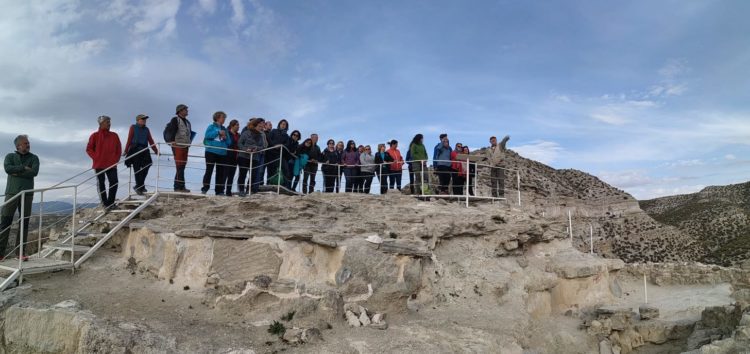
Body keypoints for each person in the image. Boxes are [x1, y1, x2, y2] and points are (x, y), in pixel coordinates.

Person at [0, 135, 39, 260]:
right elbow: (7, 168)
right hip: (11, 193)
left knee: (24, 223)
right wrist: (23, 168)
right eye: (25, 143)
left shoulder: (34, 158)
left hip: (27, 195)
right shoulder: (10, 157)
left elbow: (34, 172)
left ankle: (20, 253)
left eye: (28, 143)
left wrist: (16, 172)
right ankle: (0, 254)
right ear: (18, 146)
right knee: (5, 222)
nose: (28, 145)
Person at [87, 115, 122, 207]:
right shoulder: (94, 136)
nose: (109, 124)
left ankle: (110, 203)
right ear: (101, 123)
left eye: (109, 122)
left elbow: (119, 149)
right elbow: (89, 149)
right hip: (99, 164)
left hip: (112, 164)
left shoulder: (114, 135)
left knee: (114, 182)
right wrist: (96, 157)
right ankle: (105, 203)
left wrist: (116, 159)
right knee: (101, 183)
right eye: (107, 122)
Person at [123, 114, 158, 195]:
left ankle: (139, 185)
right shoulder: (133, 127)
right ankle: (140, 187)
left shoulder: (146, 129)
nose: (144, 121)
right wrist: (126, 150)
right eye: (143, 119)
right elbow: (129, 139)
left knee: (148, 164)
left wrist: (156, 150)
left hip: (145, 149)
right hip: (135, 149)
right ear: (138, 120)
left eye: (145, 119)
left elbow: (150, 140)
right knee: (137, 168)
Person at [163, 104, 195, 192]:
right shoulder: (175, 120)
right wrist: (172, 140)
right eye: (185, 109)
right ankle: (178, 187)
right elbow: (172, 130)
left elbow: (189, 134)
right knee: (179, 166)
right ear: (180, 111)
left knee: (182, 166)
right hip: (177, 145)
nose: (187, 111)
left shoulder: (188, 122)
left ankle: (180, 186)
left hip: (185, 146)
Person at [201, 111, 231, 196]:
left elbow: (229, 142)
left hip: (222, 153)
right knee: (209, 170)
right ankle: (205, 189)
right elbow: (207, 136)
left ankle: (219, 191)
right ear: (217, 118)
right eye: (223, 117)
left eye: (224, 118)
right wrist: (218, 132)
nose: (224, 119)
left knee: (220, 172)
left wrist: (225, 138)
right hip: (211, 151)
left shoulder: (225, 129)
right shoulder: (211, 126)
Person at [238, 118, 267, 194]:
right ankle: (241, 190)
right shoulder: (246, 133)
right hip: (243, 156)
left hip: (255, 157)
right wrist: (245, 149)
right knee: (243, 174)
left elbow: (263, 147)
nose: (261, 128)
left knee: (253, 175)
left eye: (261, 126)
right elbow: (240, 143)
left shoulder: (261, 135)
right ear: (255, 125)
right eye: (259, 126)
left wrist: (256, 149)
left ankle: (248, 190)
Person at [266, 119, 290, 185]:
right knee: (271, 170)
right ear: (279, 124)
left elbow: (287, 144)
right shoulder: (274, 131)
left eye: (285, 124)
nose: (283, 125)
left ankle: (285, 186)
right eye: (282, 124)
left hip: (280, 154)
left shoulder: (286, 136)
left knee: (285, 169)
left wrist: (281, 145)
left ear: (286, 126)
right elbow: (268, 138)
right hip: (271, 154)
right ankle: (268, 184)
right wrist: (274, 145)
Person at [223, 119, 241, 196]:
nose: (238, 126)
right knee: (224, 174)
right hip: (227, 156)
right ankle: (220, 190)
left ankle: (228, 191)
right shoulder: (227, 133)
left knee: (231, 175)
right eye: (237, 125)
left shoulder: (239, 135)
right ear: (232, 126)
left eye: (238, 125)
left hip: (235, 157)